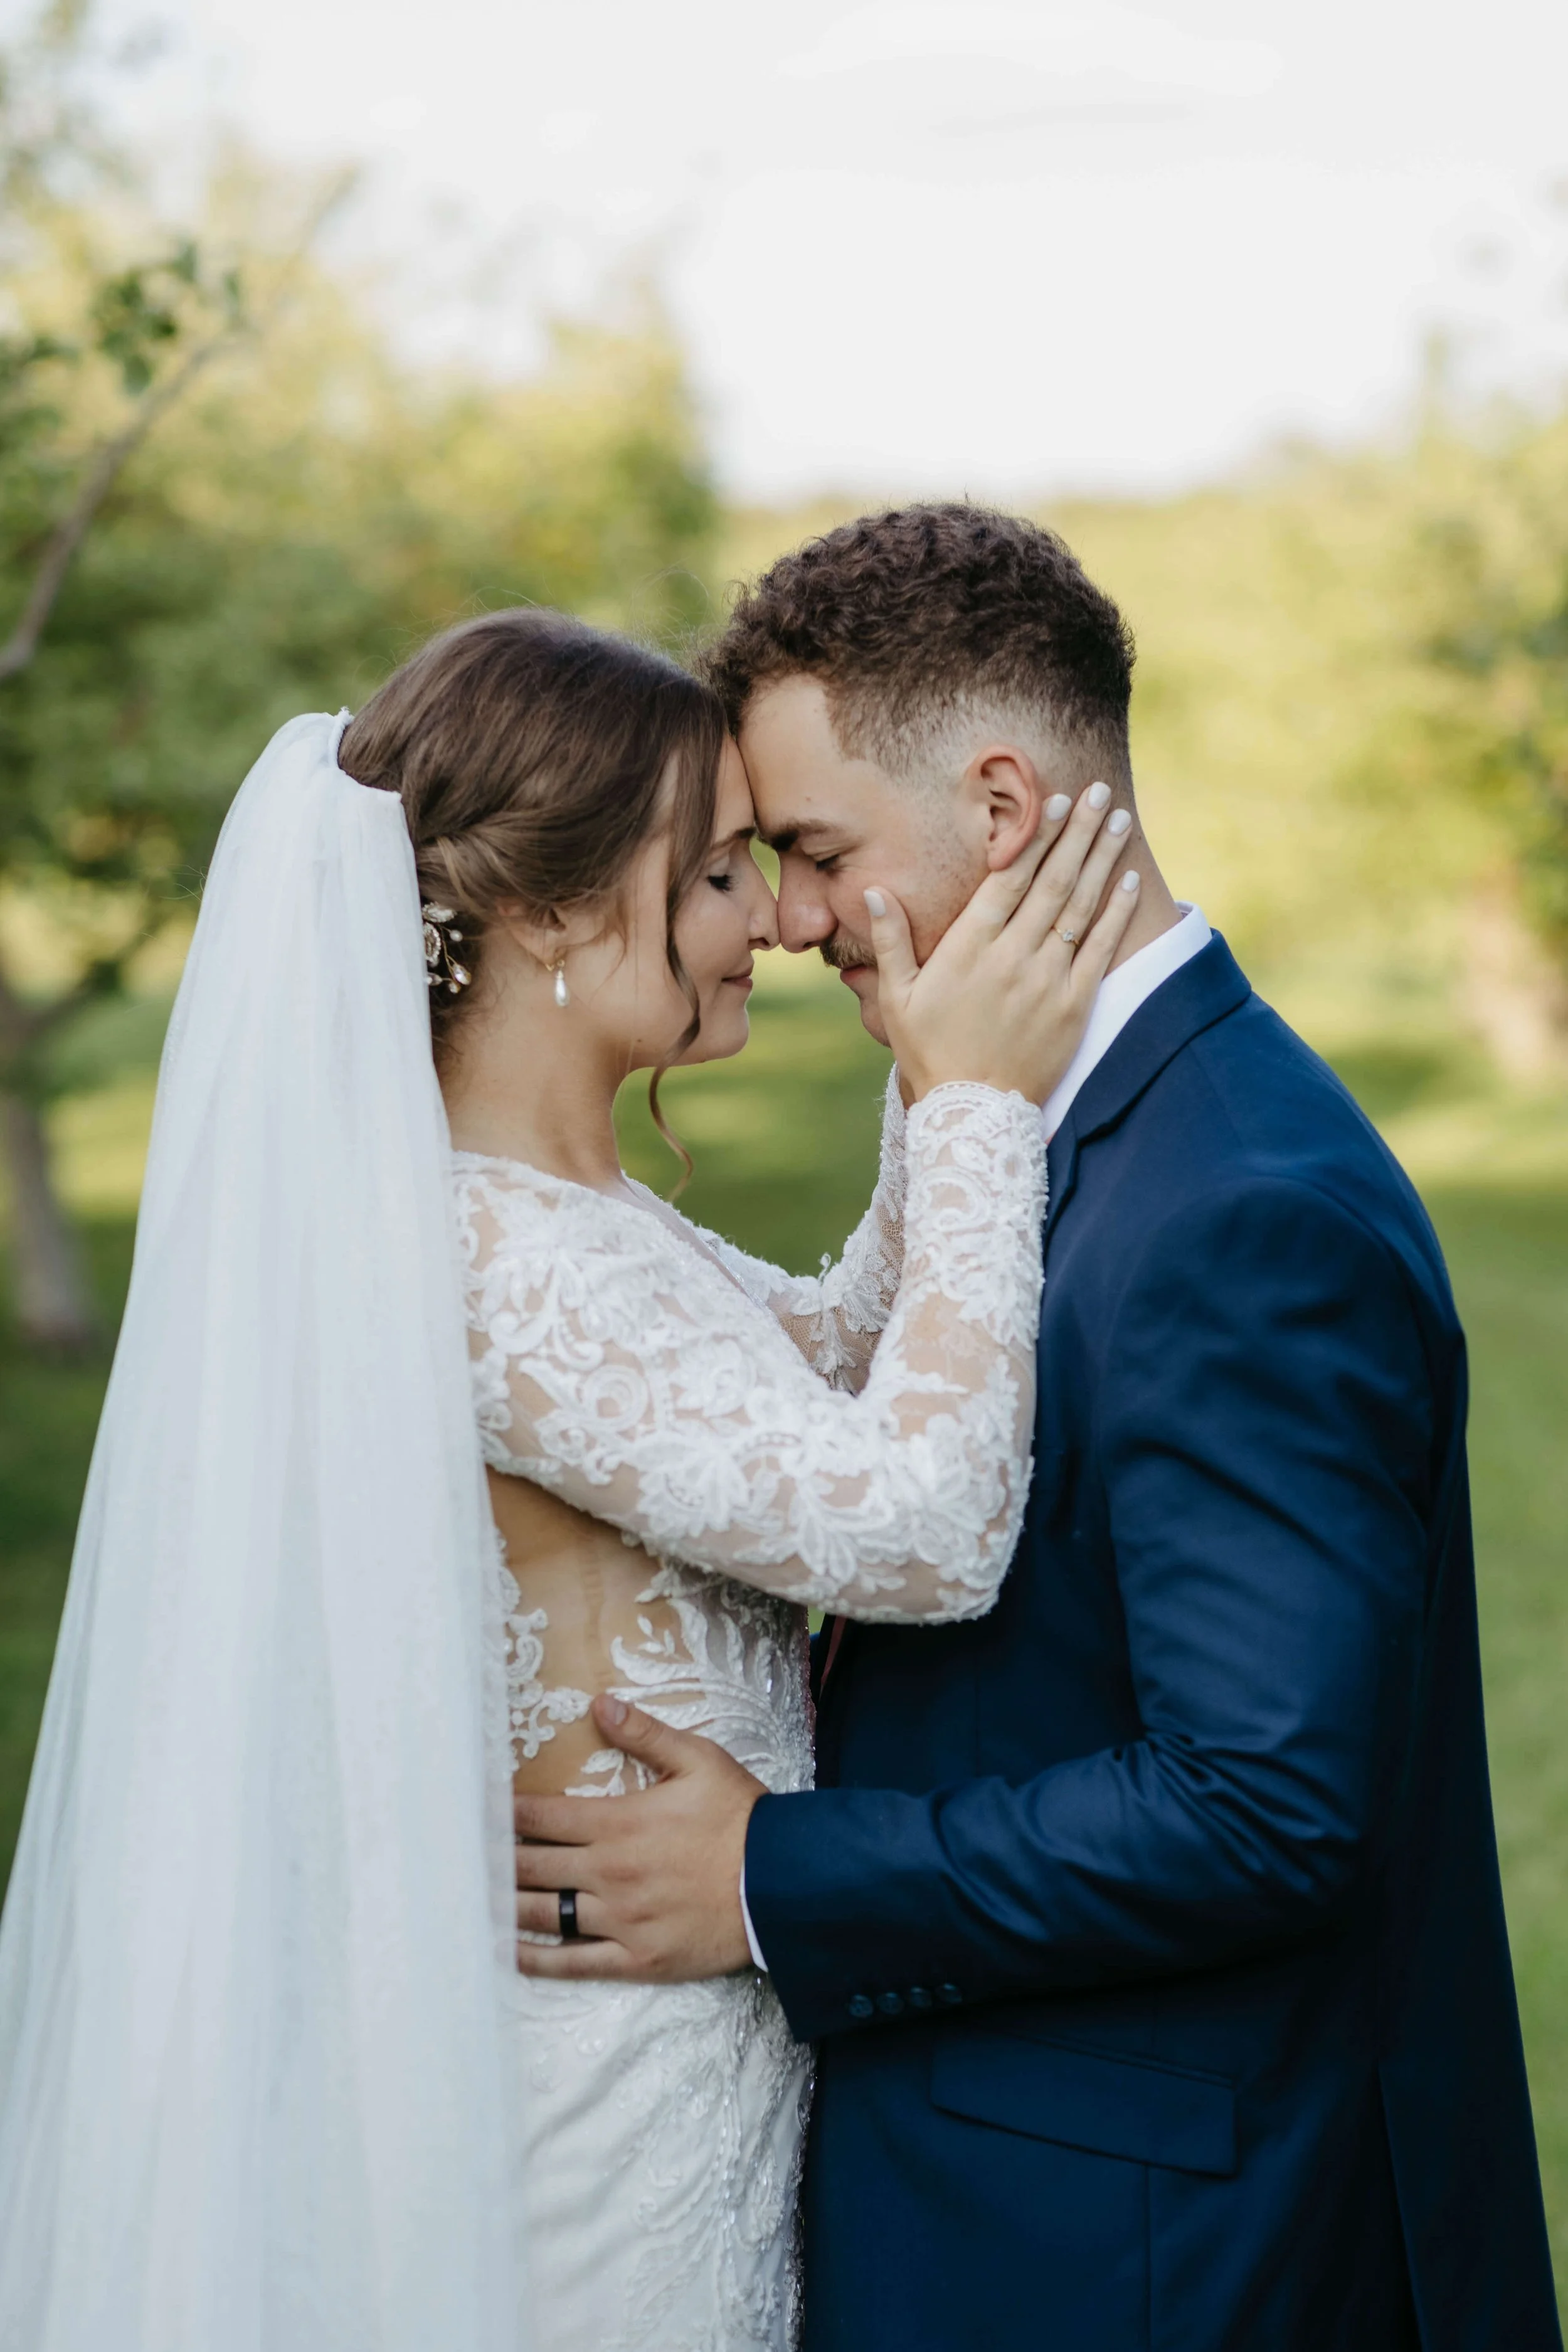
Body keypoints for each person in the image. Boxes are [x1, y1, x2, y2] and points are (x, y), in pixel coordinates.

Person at [0, 601, 1136, 2352]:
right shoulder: (491, 1257)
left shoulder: (562, 1219)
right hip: (600, 2096)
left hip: (680, 2034)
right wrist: (985, 1105)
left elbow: (834, 1364)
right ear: (539, 909)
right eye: (707, 876)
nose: (765, 915)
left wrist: (928, 1072)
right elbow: (916, 1522)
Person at [509, 506, 1564, 2352]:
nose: (796, 917)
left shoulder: (1236, 1207)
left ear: (998, 809)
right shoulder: (1047, 1124)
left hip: (1135, 2242)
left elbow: (1260, 1802)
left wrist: (768, 1872)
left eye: (818, 851)